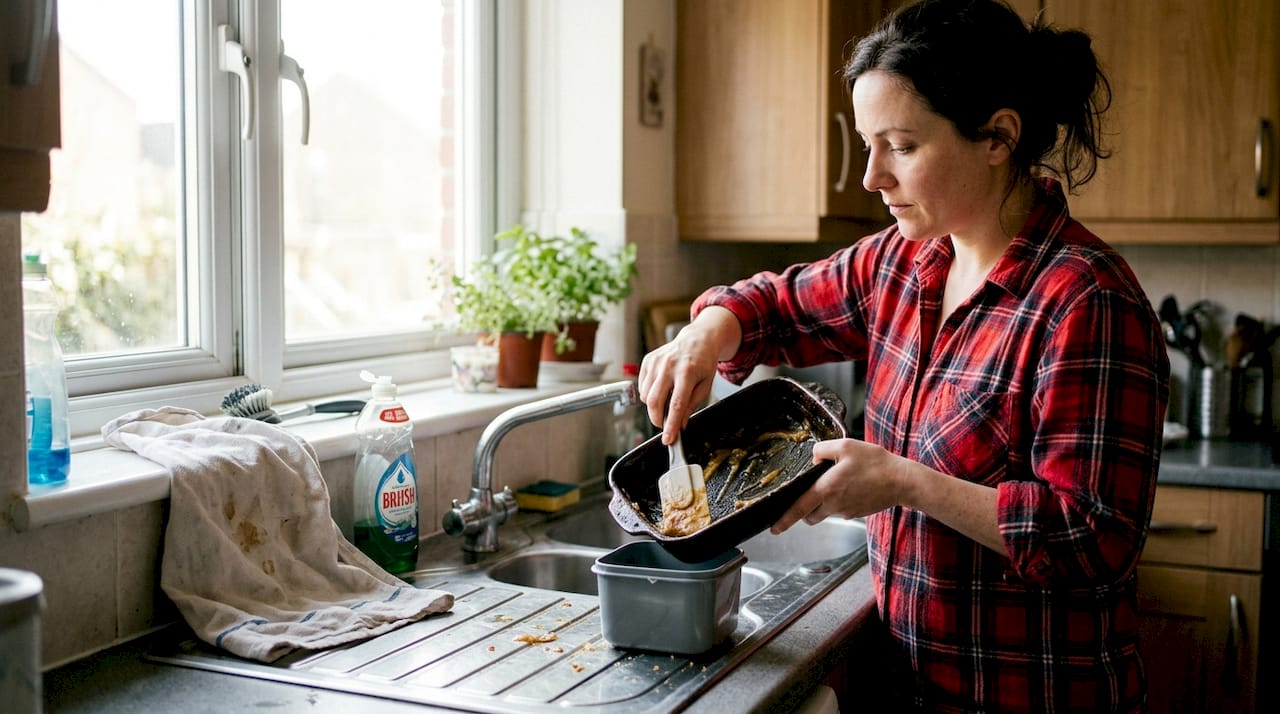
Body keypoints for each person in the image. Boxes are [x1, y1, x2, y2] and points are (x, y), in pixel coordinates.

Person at [637, 0, 1170, 711]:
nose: (870, 177)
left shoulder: (1086, 301)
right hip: (913, 687)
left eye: (901, 146)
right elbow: (779, 303)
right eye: (866, 144)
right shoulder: (903, 262)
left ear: (997, 137)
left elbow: (1091, 538)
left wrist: (906, 484)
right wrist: (709, 329)